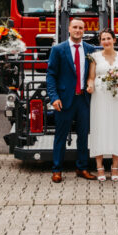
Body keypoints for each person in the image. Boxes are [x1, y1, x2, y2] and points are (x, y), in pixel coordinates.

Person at [46, 18, 99, 183]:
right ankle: (57, 170)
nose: (78, 30)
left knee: (83, 136)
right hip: (64, 100)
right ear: (69, 29)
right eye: (75, 27)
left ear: (84, 30)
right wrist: (53, 98)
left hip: (83, 99)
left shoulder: (90, 50)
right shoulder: (58, 49)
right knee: (60, 136)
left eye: (81, 28)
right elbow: (51, 75)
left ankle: (82, 168)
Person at [86, 29, 118, 181]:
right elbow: (91, 77)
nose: (106, 41)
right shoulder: (94, 57)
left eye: (108, 38)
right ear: (100, 42)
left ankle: (115, 167)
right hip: (100, 94)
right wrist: (90, 85)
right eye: (103, 39)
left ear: (114, 40)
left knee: (117, 127)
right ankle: (99, 167)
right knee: (100, 127)